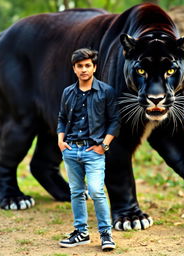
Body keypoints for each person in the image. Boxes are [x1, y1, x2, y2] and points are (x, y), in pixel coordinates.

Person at [57, 48, 120, 251]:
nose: (84, 69)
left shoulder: (106, 91)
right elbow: (61, 118)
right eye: (79, 66)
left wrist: (104, 146)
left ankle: (106, 234)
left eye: (87, 65)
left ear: (94, 67)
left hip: (94, 152)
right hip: (71, 150)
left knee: (96, 191)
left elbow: (115, 121)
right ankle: (81, 232)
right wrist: (60, 141)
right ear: (74, 69)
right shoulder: (68, 92)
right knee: (76, 192)